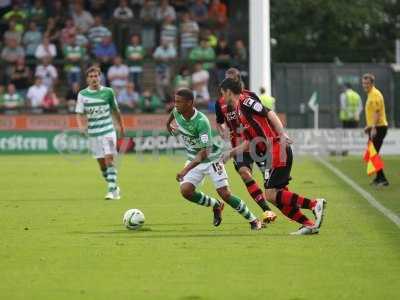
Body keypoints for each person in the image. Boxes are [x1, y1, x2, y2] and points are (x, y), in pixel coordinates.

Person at [220, 78, 327, 235]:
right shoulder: (238, 111)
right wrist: (230, 153)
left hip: (277, 147)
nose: (222, 98)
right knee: (278, 199)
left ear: (229, 92)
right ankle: (309, 224)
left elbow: (269, 112)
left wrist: (282, 134)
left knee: (270, 194)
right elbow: (250, 142)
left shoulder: (245, 101)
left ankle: (314, 204)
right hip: (270, 153)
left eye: (223, 94)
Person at [166, 88, 263, 230]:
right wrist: (168, 124)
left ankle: (254, 220)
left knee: (225, 193)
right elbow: (172, 115)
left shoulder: (201, 122)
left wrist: (185, 170)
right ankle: (216, 205)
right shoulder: (177, 112)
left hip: (211, 160)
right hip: (194, 160)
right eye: (175, 101)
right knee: (186, 191)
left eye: (179, 102)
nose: (176, 105)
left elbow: (205, 152)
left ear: (189, 103)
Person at [215, 68, 277, 225]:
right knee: (245, 174)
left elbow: (263, 115)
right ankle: (266, 210)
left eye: (233, 78)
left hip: (257, 144)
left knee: (271, 183)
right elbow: (219, 121)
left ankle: (286, 204)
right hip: (239, 146)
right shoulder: (220, 102)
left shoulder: (249, 97)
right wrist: (222, 131)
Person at [75, 66, 125, 200]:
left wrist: (121, 126)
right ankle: (114, 185)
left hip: (108, 130)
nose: (94, 79)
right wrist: (80, 126)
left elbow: (116, 111)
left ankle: (111, 191)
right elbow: (79, 113)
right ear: (87, 79)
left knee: (109, 158)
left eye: (96, 76)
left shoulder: (108, 92)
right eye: (91, 77)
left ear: (100, 77)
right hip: (93, 133)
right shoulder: (82, 94)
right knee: (102, 164)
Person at [362, 73, 389, 186]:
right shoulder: (371, 94)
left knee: (374, 153)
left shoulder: (375, 94)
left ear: (372, 83)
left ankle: (383, 179)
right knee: (373, 154)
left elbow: (377, 112)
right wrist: (369, 126)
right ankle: (379, 178)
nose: (365, 85)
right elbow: (373, 113)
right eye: (363, 83)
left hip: (379, 128)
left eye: (367, 83)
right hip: (374, 127)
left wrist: (373, 127)